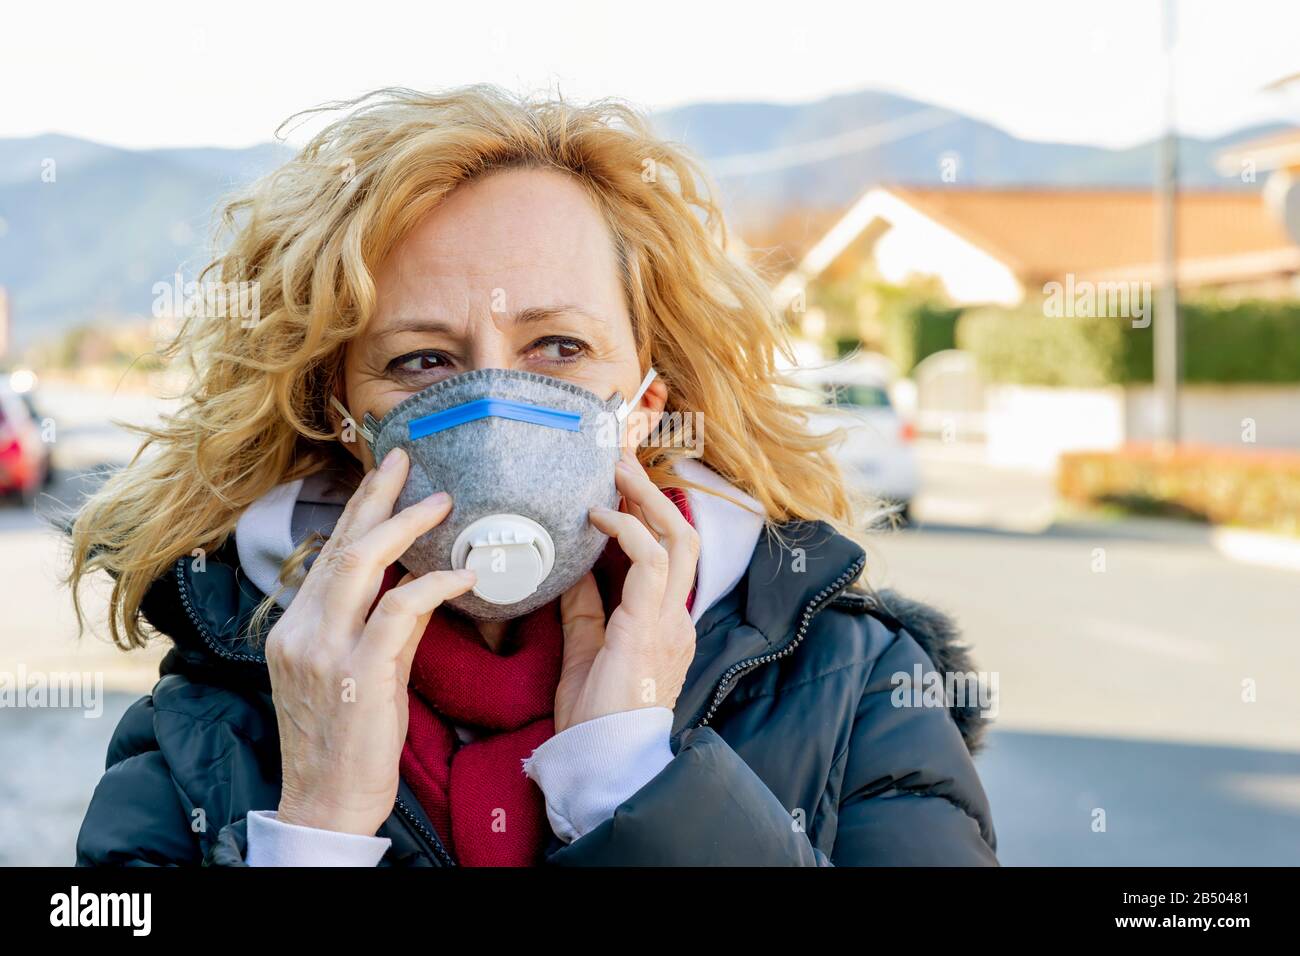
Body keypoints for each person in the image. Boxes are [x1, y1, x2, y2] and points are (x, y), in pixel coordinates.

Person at [69, 86, 997, 866]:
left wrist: (633, 779)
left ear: (642, 400)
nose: (495, 416)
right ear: (344, 421)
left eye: (559, 346)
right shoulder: (206, 726)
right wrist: (314, 828)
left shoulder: (853, 687)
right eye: (423, 361)